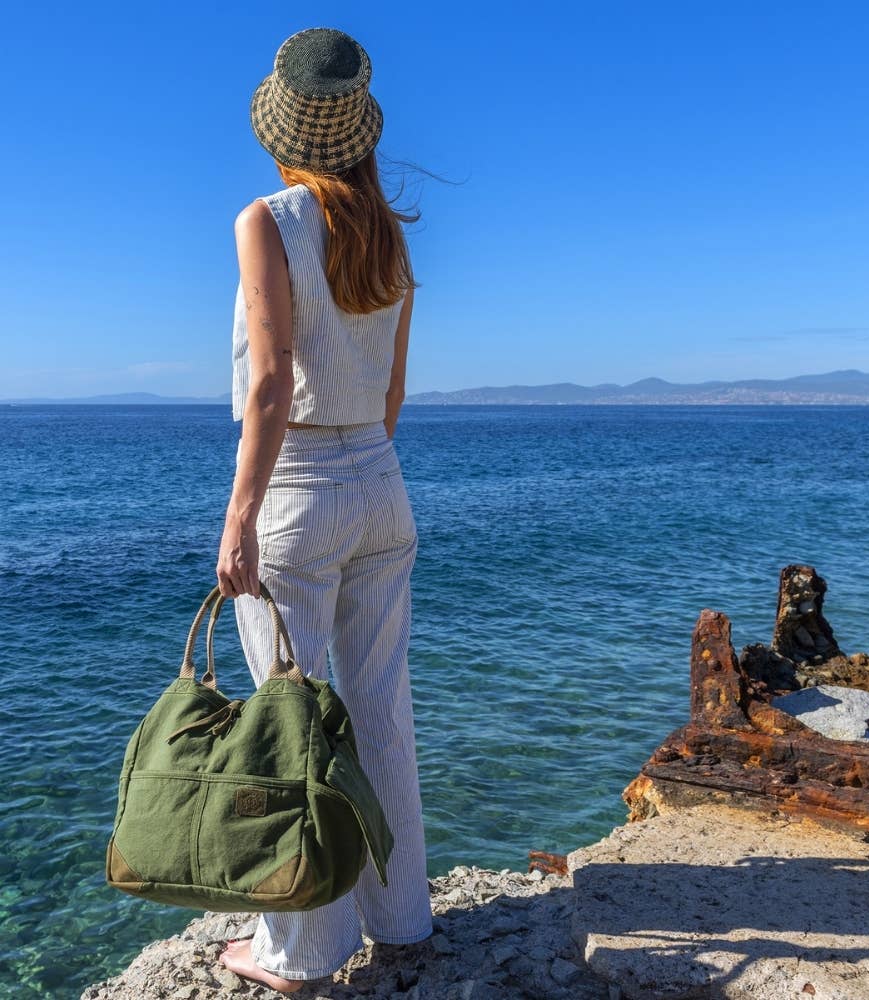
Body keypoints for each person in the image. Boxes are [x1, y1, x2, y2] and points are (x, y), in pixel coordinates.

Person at [214, 27, 433, 993]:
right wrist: (360, 465)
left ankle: (299, 952)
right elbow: (392, 393)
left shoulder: (267, 220)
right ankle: (402, 918)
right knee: (381, 713)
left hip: (299, 486)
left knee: (290, 723)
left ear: (283, 134)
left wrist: (240, 517)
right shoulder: (389, 236)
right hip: (381, 481)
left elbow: (270, 384)